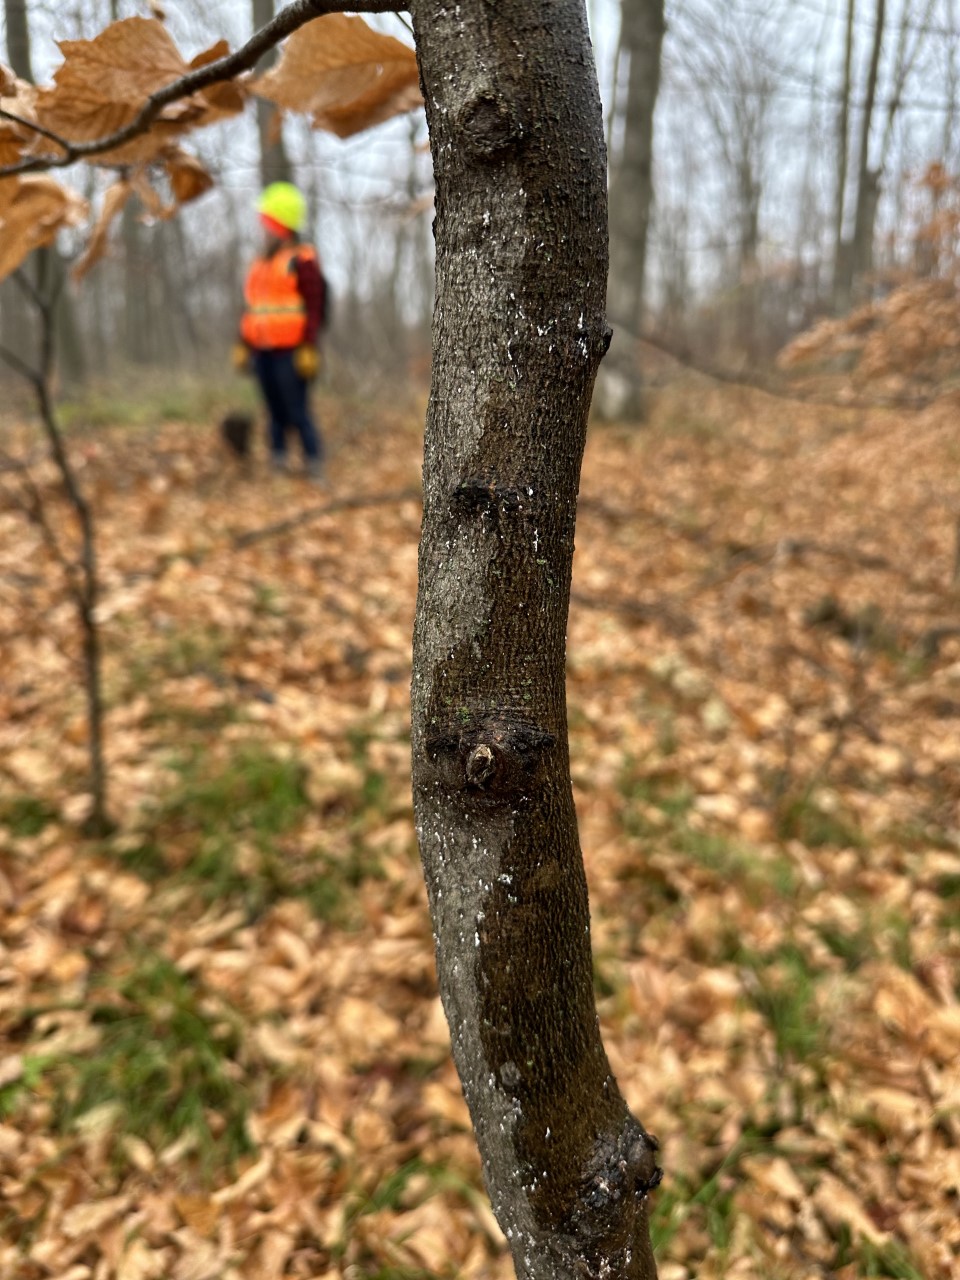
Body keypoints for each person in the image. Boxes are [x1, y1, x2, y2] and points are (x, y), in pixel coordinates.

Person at [235, 182, 327, 479]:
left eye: (268, 223)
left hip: (292, 351)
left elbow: (315, 307)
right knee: (273, 410)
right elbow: (252, 308)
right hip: (262, 350)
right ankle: (279, 462)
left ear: (282, 226)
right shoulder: (260, 263)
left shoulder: (302, 260)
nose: (263, 230)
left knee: (297, 410)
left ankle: (314, 464)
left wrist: (309, 346)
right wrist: (242, 343)